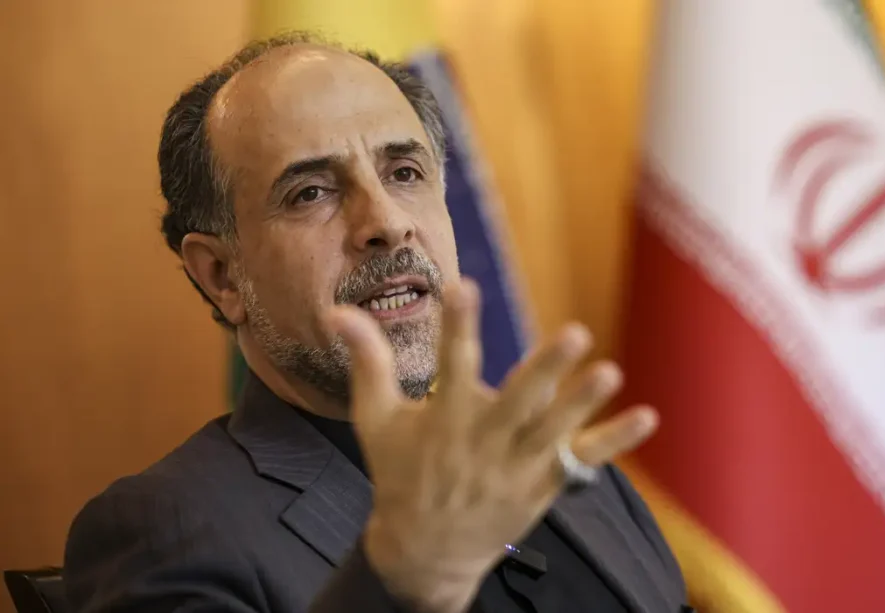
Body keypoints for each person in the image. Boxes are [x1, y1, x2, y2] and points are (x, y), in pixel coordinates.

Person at [63, 32, 692, 613]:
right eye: (311, 192)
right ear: (223, 276)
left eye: (405, 173)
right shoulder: (162, 529)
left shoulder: (575, 476)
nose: (387, 222)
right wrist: (408, 576)